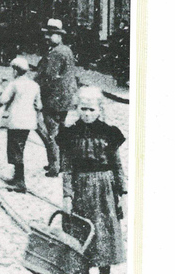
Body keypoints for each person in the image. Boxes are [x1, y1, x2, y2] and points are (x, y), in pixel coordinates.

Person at [57, 87, 126, 274]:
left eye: (91, 110)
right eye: (83, 109)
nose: (87, 114)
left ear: (100, 110)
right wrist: (67, 196)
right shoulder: (70, 134)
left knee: (104, 235)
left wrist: (123, 194)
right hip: (81, 190)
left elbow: (117, 165)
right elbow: (68, 168)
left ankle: (105, 271)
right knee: (82, 234)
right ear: (77, 108)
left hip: (105, 190)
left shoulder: (109, 133)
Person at [35, 19, 77, 177]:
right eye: (47, 34)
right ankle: (60, 163)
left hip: (54, 99)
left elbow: (49, 76)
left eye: (52, 34)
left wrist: (34, 87)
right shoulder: (66, 50)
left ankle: (54, 166)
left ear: (60, 36)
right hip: (64, 99)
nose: (48, 37)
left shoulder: (56, 53)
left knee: (52, 132)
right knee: (60, 131)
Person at [0, 57, 42, 193]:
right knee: (20, 149)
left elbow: (2, 99)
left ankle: (20, 182)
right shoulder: (34, 85)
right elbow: (39, 105)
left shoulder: (14, 84)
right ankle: (17, 177)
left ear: (16, 70)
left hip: (16, 121)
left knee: (15, 150)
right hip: (29, 122)